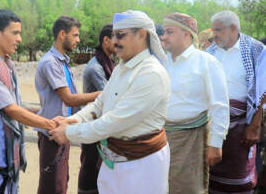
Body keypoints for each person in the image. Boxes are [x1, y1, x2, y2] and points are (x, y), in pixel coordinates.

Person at [50, 10, 171, 194]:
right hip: (113, 161)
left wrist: (68, 132)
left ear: (142, 34)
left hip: (141, 166)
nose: (114, 41)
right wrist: (74, 120)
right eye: (113, 35)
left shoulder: (151, 73)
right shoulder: (122, 68)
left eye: (120, 35)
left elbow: (114, 122)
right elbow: (99, 104)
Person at [0, 9, 57, 194]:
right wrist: (51, 124)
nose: (20, 39)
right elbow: (12, 110)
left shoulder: (6, 66)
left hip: (7, 154)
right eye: (15, 33)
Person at [162, 12, 229, 194]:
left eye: (169, 32)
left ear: (186, 34)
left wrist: (216, 144)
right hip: (160, 139)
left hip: (191, 141)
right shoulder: (161, 63)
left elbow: (220, 105)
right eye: (164, 32)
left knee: (189, 189)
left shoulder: (206, 62)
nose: (164, 37)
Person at [34, 16, 100, 194]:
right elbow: (69, 99)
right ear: (62, 34)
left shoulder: (61, 61)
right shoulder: (50, 63)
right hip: (52, 131)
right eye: (75, 35)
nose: (78, 40)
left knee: (60, 182)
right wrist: (103, 95)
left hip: (62, 129)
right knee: (52, 185)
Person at [206, 10, 266, 193]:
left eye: (218, 30)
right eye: (213, 30)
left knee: (239, 180)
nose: (213, 35)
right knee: (211, 177)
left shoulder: (256, 51)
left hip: (242, 128)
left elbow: (264, 91)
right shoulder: (210, 53)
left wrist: (255, 126)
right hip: (213, 127)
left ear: (233, 28)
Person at [79, 24, 115, 194]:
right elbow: (110, 95)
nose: (119, 42)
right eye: (116, 38)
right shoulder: (96, 67)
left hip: (100, 123)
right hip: (92, 123)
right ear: (106, 40)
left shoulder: (109, 63)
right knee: (90, 165)